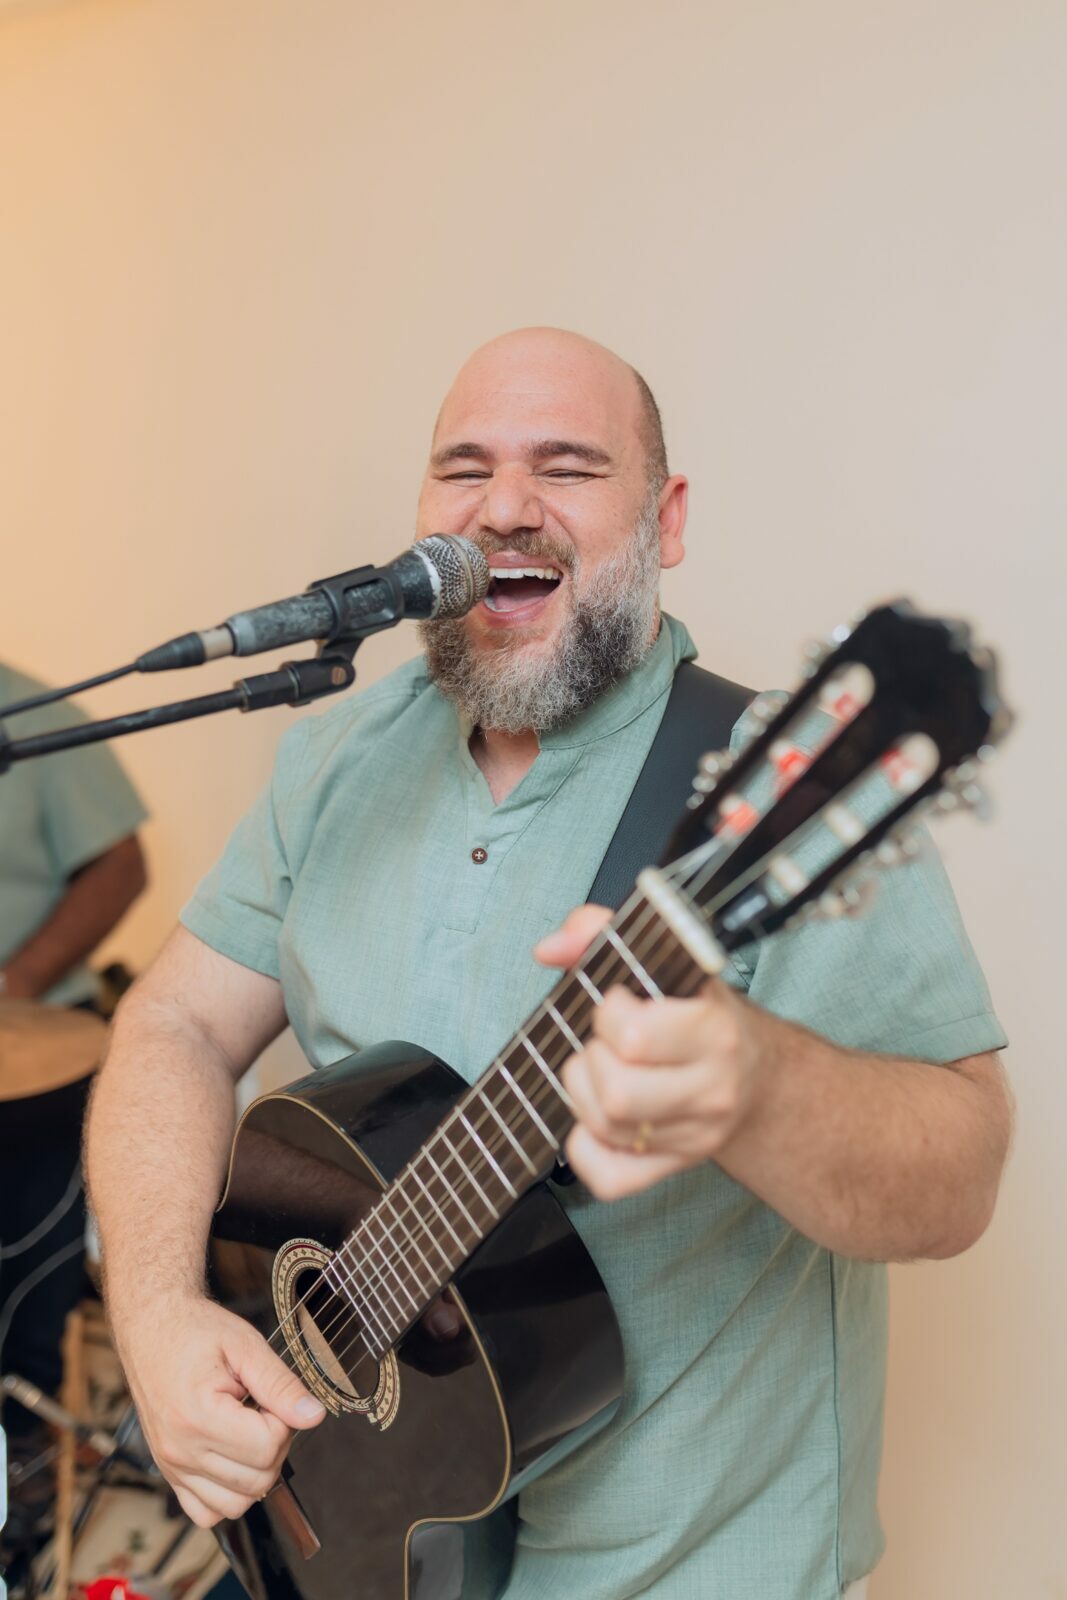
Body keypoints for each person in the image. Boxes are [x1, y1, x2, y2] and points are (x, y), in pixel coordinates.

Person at [85, 328, 1011, 1600]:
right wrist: (154, 1317)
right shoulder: (335, 759)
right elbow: (176, 1025)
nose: (505, 506)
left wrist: (756, 1087)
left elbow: (958, 1177)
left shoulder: (779, 795)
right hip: (379, 1546)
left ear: (663, 520)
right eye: (463, 468)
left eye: (567, 466)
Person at [0, 661, 147, 1500]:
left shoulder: (30, 710)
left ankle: (26, 1456)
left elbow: (120, 867)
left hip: (34, 1041)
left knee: (29, 1287)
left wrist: (14, 983)